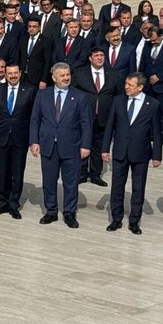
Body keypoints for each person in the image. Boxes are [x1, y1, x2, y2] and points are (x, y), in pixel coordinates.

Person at [28, 62, 92, 228]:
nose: (66, 78)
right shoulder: (42, 95)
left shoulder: (79, 96)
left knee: (71, 182)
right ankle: (51, 211)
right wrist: (34, 141)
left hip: (71, 146)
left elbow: (86, 123)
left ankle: (70, 213)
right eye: (62, 75)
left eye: (68, 74)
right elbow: (35, 119)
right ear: (54, 77)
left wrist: (85, 145)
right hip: (48, 146)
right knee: (49, 182)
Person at [101, 72, 162, 235]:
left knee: (138, 188)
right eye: (126, 83)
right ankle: (116, 219)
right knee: (117, 187)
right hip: (120, 151)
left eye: (130, 85)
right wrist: (105, 148)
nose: (126, 87)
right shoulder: (118, 101)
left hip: (141, 153)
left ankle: (134, 221)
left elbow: (156, 132)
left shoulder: (153, 104)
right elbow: (110, 126)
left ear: (140, 87)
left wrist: (157, 156)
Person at [0, 65, 36, 220]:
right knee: (3, 172)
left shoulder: (29, 91)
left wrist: (33, 140)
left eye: (15, 73)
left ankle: (14, 204)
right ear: (5, 75)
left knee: (17, 172)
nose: (13, 76)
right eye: (10, 73)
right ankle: (3, 202)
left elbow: (33, 118)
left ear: (20, 74)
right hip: (1, 137)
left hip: (21, 138)